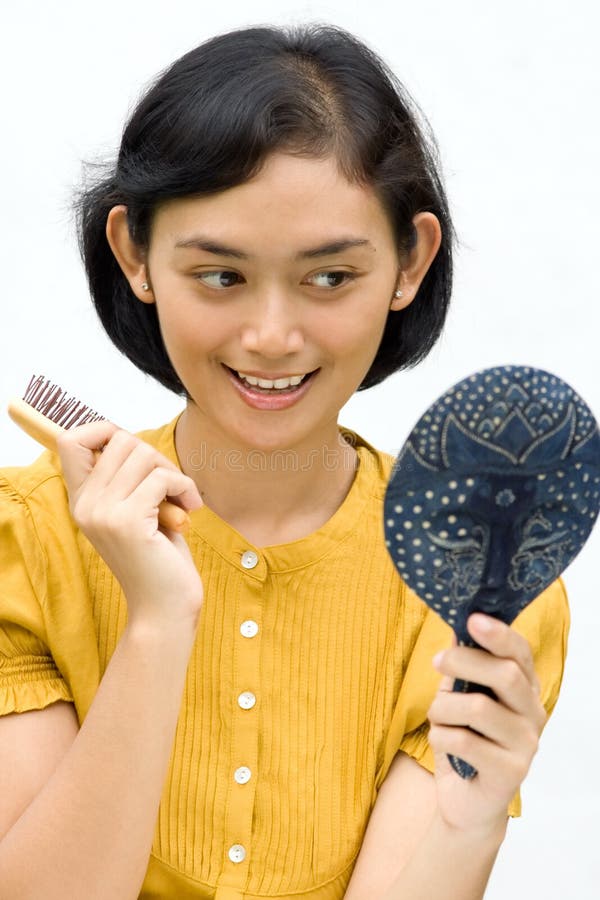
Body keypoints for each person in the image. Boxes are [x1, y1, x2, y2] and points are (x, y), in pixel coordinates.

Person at [0, 23, 568, 900]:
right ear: (135, 255)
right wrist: (156, 622)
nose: (272, 338)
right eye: (221, 277)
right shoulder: (26, 548)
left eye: (329, 277)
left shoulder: (478, 584)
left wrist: (473, 820)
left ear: (410, 261)